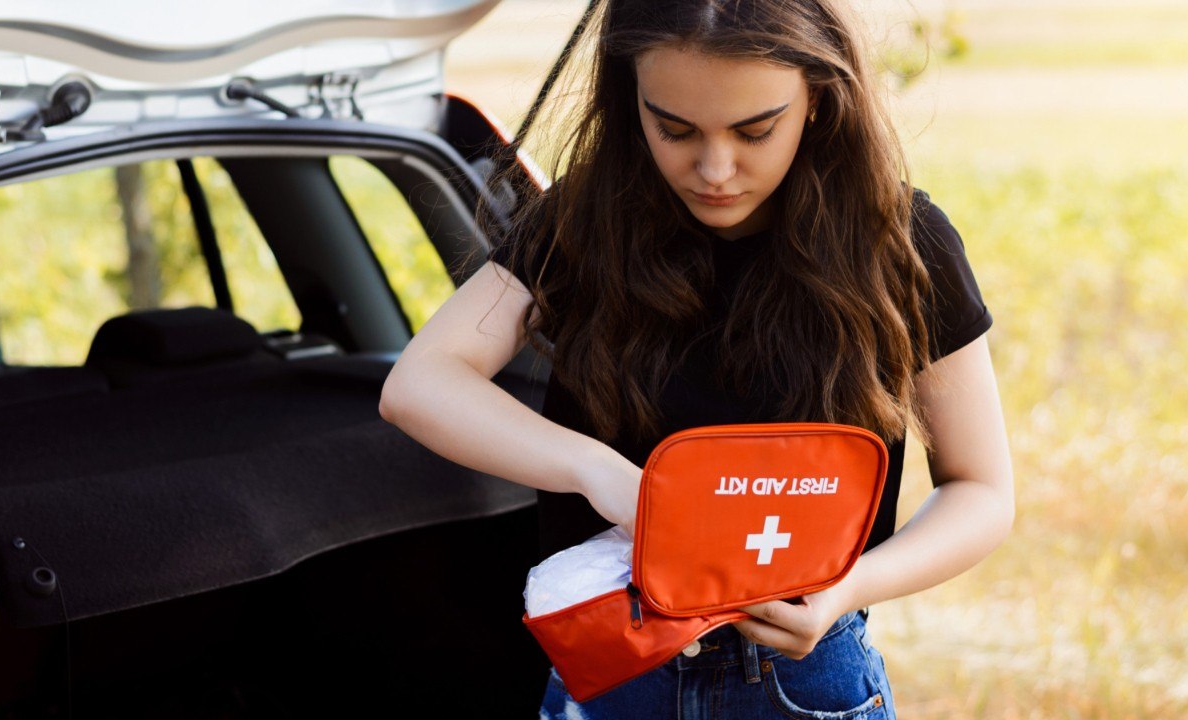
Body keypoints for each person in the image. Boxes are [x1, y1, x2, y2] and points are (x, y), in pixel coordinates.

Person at [379, 0, 1014, 717]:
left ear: (818, 99)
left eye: (755, 130)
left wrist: (849, 589)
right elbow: (420, 384)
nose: (715, 169)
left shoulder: (899, 242)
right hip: (616, 663)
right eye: (674, 129)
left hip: (803, 679)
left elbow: (982, 491)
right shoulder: (585, 226)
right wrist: (600, 473)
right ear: (629, 100)